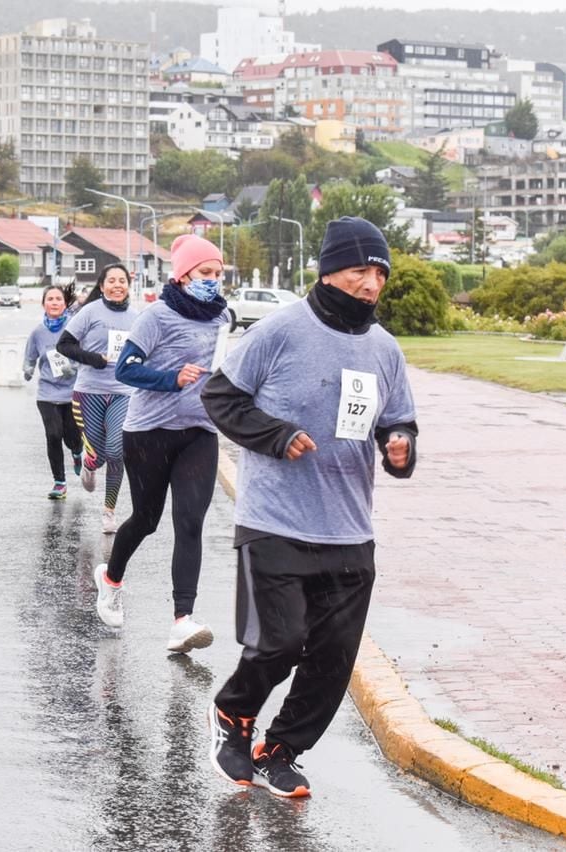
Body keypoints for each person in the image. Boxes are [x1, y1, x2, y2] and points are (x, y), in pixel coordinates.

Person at [201, 216, 418, 798]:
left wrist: (399, 448)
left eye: (380, 273)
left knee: (332, 658)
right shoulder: (279, 331)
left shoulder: (384, 349)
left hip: (349, 526)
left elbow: (396, 421)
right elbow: (219, 397)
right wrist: (275, 435)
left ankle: (282, 749)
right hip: (275, 520)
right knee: (280, 641)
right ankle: (233, 714)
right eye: (358, 271)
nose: (371, 284)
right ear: (328, 271)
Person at [92, 235, 229, 653]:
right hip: (149, 432)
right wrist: (172, 379)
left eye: (219, 274)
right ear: (183, 274)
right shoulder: (158, 316)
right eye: (206, 273)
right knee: (147, 519)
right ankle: (111, 578)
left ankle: (182, 621)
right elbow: (127, 370)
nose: (214, 281)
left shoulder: (222, 319)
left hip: (199, 433)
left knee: (190, 522)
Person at [57, 265, 137, 534]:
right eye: (111, 280)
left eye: (122, 281)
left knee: (117, 451)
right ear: (102, 286)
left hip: (122, 393)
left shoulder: (137, 318)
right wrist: (94, 360)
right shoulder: (90, 312)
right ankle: (89, 465)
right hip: (88, 391)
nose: (117, 285)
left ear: (128, 285)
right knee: (100, 456)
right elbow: (64, 345)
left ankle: (109, 511)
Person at [23, 285, 84, 499]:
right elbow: (30, 355)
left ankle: (77, 452)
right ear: (44, 304)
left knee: (71, 437)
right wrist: (28, 369)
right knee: (53, 435)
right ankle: (59, 482)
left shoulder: (74, 328)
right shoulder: (38, 332)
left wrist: (73, 368)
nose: (55, 302)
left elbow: (85, 354)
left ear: (65, 304)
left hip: (72, 393)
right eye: (50, 299)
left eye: (59, 298)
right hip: (47, 393)